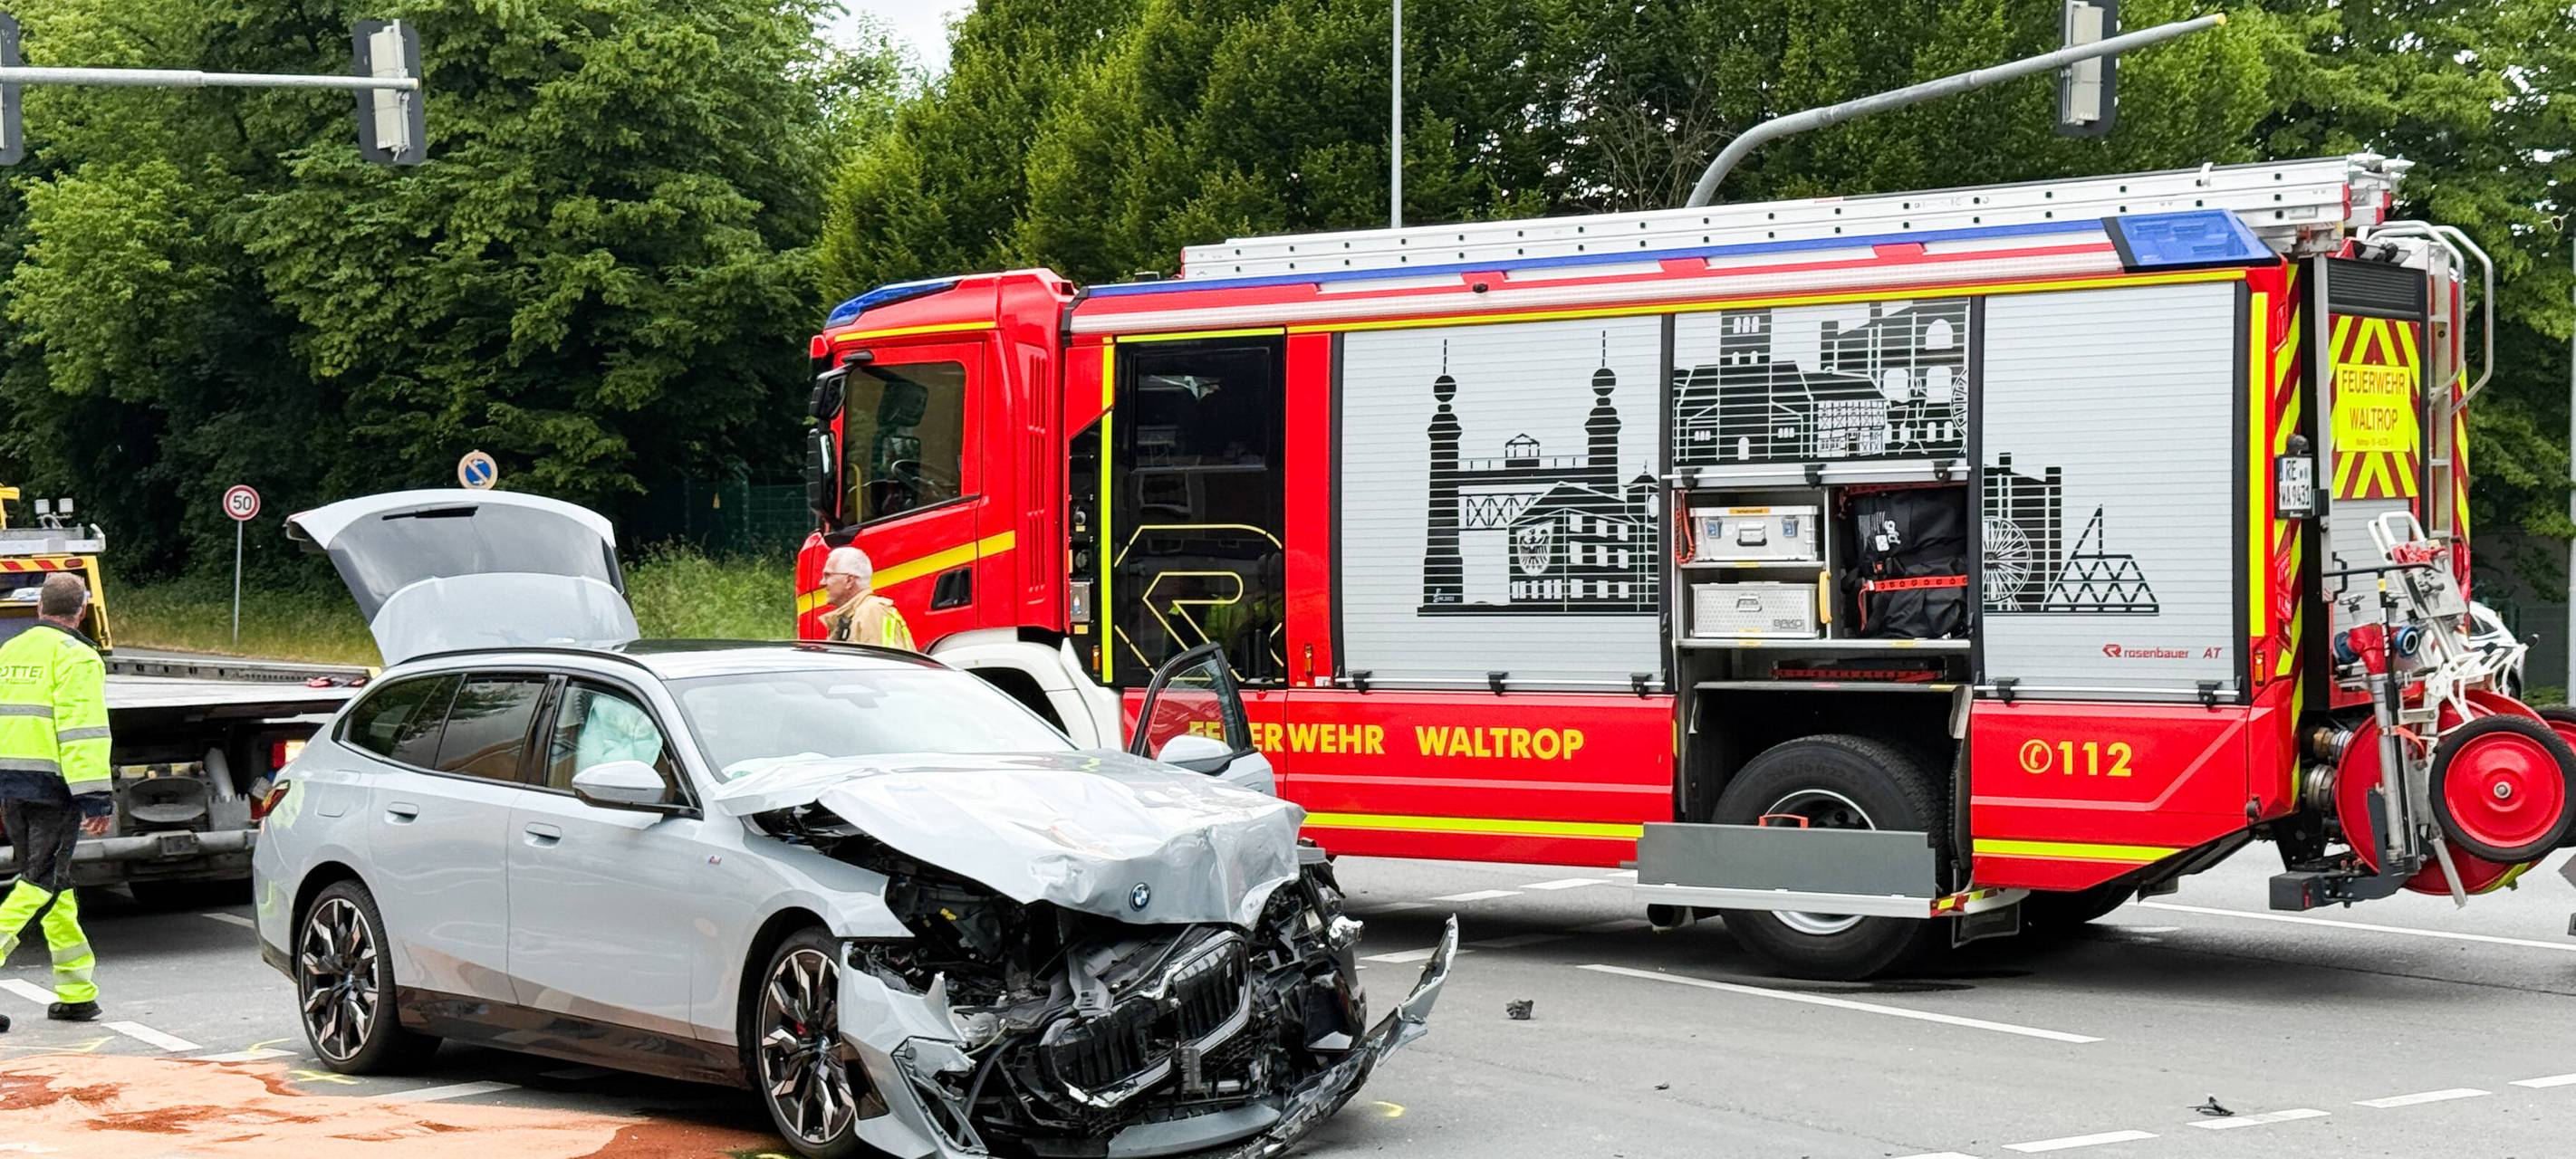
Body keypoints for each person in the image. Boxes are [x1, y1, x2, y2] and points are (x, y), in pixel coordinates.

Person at [0, 573, 111, 1032]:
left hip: (12, 786)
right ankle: (76, 991)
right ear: (81, 611)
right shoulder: (77, 657)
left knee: (54, 885)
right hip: (53, 789)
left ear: (37, 608)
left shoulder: (10, 652)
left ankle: (76, 992)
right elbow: (82, 733)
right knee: (40, 882)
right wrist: (97, 800)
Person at [817, 545, 915, 649]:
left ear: (849, 580)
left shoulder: (873, 612)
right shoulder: (851, 616)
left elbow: (881, 663)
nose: (821, 583)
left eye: (828, 575)